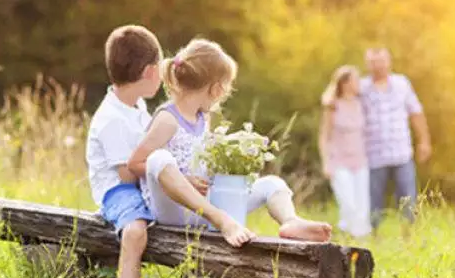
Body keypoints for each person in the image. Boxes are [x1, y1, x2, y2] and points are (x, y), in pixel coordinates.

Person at [86, 25, 252, 278]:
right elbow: (128, 175)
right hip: (119, 191)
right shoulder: (111, 118)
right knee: (136, 232)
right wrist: (175, 179)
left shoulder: (136, 106)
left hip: (141, 184)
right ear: (151, 72)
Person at [127, 38, 332, 243]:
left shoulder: (202, 118)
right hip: (173, 211)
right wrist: (185, 180)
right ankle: (223, 221)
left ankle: (290, 221)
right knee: (158, 158)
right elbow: (135, 164)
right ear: (216, 89)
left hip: (202, 209)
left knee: (272, 184)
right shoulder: (167, 119)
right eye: (225, 87)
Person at [360, 48, 432, 232]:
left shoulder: (402, 84)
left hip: (401, 153)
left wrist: (424, 141)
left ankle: (409, 236)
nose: (378, 66)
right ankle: (373, 236)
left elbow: (416, 112)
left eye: (381, 61)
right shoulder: (361, 88)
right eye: (374, 62)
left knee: (408, 199)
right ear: (368, 65)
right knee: (373, 201)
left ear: (389, 62)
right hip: (373, 155)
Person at [319, 65, 371, 237]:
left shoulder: (361, 104)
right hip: (338, 161)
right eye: (356, 80)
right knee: (348, 202)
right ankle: (348, 231)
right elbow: (324, 136)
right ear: (346, 83)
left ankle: (360, 239)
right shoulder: (332, 105)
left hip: (360, 160)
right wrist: (326, 162)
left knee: (362, 204)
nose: (359, 83)